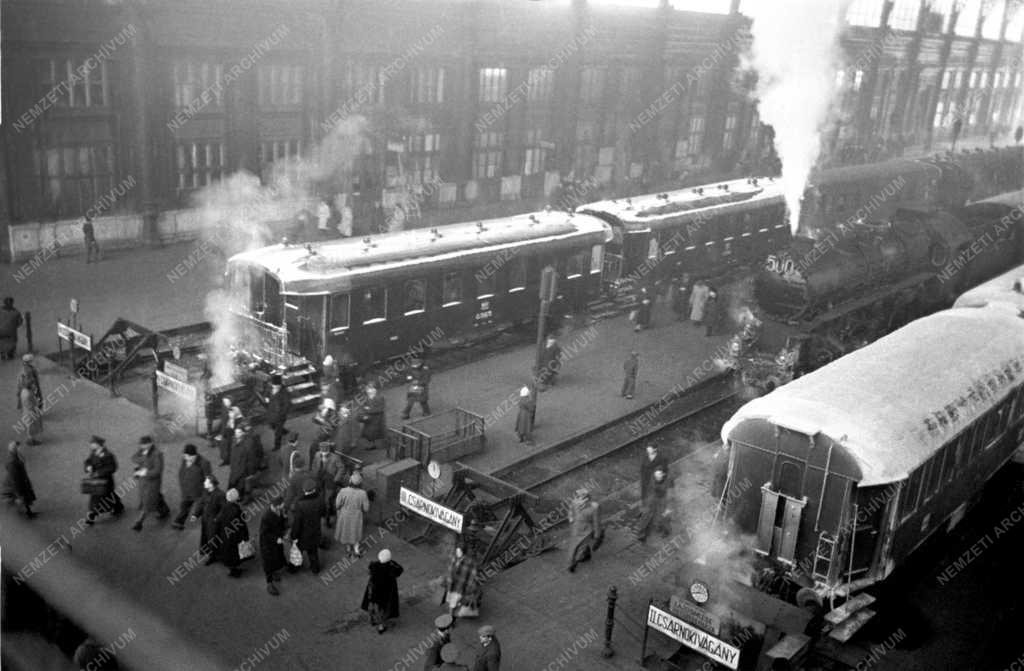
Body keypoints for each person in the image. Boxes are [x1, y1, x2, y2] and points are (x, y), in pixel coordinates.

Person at [361, 549, 404, 633]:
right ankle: (381, 626)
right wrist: (392, 562)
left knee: (373, 607)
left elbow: (369, 571)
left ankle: (373, 620)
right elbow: (400, 570)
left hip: (373, 592)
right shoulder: (391, 568)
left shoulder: (374, 566)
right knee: (384, 610)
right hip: (386, 593)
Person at [131, 436, 168, 531]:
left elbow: (158, 470)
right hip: (143, 482)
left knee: (147, 501)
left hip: (152, 482)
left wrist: (145, 472)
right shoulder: (142, 451)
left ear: (150, 443)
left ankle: (139, 522)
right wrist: (140, 463)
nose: (142, 446)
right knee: (154, 497)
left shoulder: (157, 454)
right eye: (141, 444)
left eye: (144, 444)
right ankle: (164, 510)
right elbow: (134, 458)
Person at [84, 436, 124, 525]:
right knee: (96, 497)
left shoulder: (108, 455)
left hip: (105, 481)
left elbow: (112, 467)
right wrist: (88, 467)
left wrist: (99, 473)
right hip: (96, 480)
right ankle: (117, 506)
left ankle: (92, 515)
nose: (91, 445)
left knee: (101, 497)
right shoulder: (93, 453)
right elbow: (88, 461)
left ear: (99, 445)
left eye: (93, 444)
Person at [290, 478, 324, 573]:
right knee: (313, 551)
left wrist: (294, 535)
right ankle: (315, 568)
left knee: (298, 551)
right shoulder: (320, 500)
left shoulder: (300, 504)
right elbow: (323, 512)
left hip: (302, 534)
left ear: (304, 490)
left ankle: (294, 568)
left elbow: (297, 522)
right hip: (315, 531)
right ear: (314, 489)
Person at [173, 444, 211, 530]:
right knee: (184, 506)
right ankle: (179, 522)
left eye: (186, 456)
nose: (184, 458)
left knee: (203, 509)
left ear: (193, 455)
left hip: (199, 493)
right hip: (186, 491)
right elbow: (182, 471)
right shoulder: (185, 459)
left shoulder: (204, 463)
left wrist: (205, 494)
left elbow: (208, 479)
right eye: (184, 456)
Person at [335, 472, 370, 558]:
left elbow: (337, 504)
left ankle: (348, 549)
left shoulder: (343, 491)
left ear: (350, 481)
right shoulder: (363, 493)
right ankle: (357, 550)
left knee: (346, 532)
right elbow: (366, 508)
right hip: (357, 516)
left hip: (345, 515)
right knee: (356, 533)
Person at [217, 488, 250, 578]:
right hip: (235, 536)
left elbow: (218, 520)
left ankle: (231, 568)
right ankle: (234, 570)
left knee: (228, 551)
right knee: (235, 553)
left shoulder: (224, 507)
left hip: (225, 534)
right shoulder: (237, 510)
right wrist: (245, 536)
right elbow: (242, 524)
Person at [567, 488, 602, 573]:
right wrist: (597, 535)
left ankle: (571, 561)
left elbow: (570, 514)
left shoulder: (574, 503)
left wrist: (571, 520)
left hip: (575, 528)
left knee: (574, 546)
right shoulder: (594, 507)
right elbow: (596, 522)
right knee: (583, 546)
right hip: (586, 530)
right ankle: (576, 561)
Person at [444, 542, 481, 620]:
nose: (458, 553)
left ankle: (451, 617)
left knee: (453, 603)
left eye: (459, 551)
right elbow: (450, 570)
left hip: (460, 586)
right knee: (453, 602)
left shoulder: (469, 562)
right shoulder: (455, 558)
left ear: (463, 552)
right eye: (457, 551)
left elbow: (472, 576)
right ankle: (452, 615)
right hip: (453, 585)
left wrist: (471, 587)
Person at [312, 441, 345, 526]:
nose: (323, 455)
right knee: (320, 497)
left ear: (329, 451)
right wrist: (314, 474)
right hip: (319, 479)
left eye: (325, 453)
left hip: (330, 480)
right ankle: (322, 512)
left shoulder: (335, 457)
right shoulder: (317, 455)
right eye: (322, 453)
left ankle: (327, 518)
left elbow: (341, 468)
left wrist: (336, 479)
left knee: (328, 500)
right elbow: (314, 465)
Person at [229, 424, 264, 504]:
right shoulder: (234, 441)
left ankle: (247, 498)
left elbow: (252, 459)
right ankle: (239, 496)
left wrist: (250, 472)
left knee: (245, 485)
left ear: (243, 433)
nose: (236, 434)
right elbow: (233, 455)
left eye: (239, 432)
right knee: (237, 484)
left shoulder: (248, 443)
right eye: (236, 432)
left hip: (244, 469)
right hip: (235, 468)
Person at [259, 496, 287, 595]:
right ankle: (269, 583)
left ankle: (274, 572)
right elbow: (264, 533)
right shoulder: (266, 517)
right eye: (281, 506)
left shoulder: (279, 511)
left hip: (277, 542)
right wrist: (276, 539)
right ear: (275, 506)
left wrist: (284, 518)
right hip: (268, 544)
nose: (283, 507)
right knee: (268, 562)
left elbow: (281, 523)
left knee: (276, 558)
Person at [195, 475, 226, 565]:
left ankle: (213, 556)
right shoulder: (206, 492)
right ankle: (211, 554)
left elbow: (223, 509)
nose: (204, 483)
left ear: (211, 484)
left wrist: (217, 519)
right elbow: (201, 503)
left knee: (212, 539)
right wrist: (195, 514)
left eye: (206, 482)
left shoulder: (220, 494)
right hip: (206, 520)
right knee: (206, 537)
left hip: (213, 521)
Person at [636, 467, 671, 543]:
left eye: (659, 475)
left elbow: (664, 491)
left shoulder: (666, 481)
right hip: (652, 498)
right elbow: (649, 489)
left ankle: (666, 530)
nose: (657, 477)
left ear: (663, 474)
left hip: (661, 500)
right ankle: (641, 534)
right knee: (646, 516)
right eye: (656, 475)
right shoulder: (653, 478)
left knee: (663, 517)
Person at [2, 441, 36, 518]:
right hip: (16, 483)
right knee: (21, 498)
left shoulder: (17, 457)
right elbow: (15, 480)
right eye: (19, 447)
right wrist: (19, 494)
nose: (21, 449)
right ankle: (25, 513)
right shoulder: (12, 462)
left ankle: (28, 512)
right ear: (15, 449)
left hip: (21, 481)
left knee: (25, 497)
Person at [16, 354, 43, 445]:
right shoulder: (28, 371)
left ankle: (31, 437)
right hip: (29, 400)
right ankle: (31, 439)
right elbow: (30, 382)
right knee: (31, 420)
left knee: (29, 419)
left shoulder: (23, 370)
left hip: (25, 397)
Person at [264, 376, 290, 452]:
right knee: (272, 425)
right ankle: (284, 431)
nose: (275, 387)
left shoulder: (284, 392)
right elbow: (266, 393)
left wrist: (282, 414)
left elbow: (287, 404)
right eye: (274, 386)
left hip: (280, 415)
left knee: (277, 432)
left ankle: (277, 445)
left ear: (280, 385)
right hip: (271, 412)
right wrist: (266, 397)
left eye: (277, 386)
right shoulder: (270, 388)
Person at [358, 384, 387, 450]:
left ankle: (383, 445)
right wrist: (364, 412)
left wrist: (369, 410)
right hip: (369, 419)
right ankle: (372, 445)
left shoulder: (380, 398)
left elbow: (380, 409)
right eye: (367, 390)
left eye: (370, 389)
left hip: (378, 419)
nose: (368, 391)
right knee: (369, 434)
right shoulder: (367, 398)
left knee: (377, 433)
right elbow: (363, 407)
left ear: (374, 390)